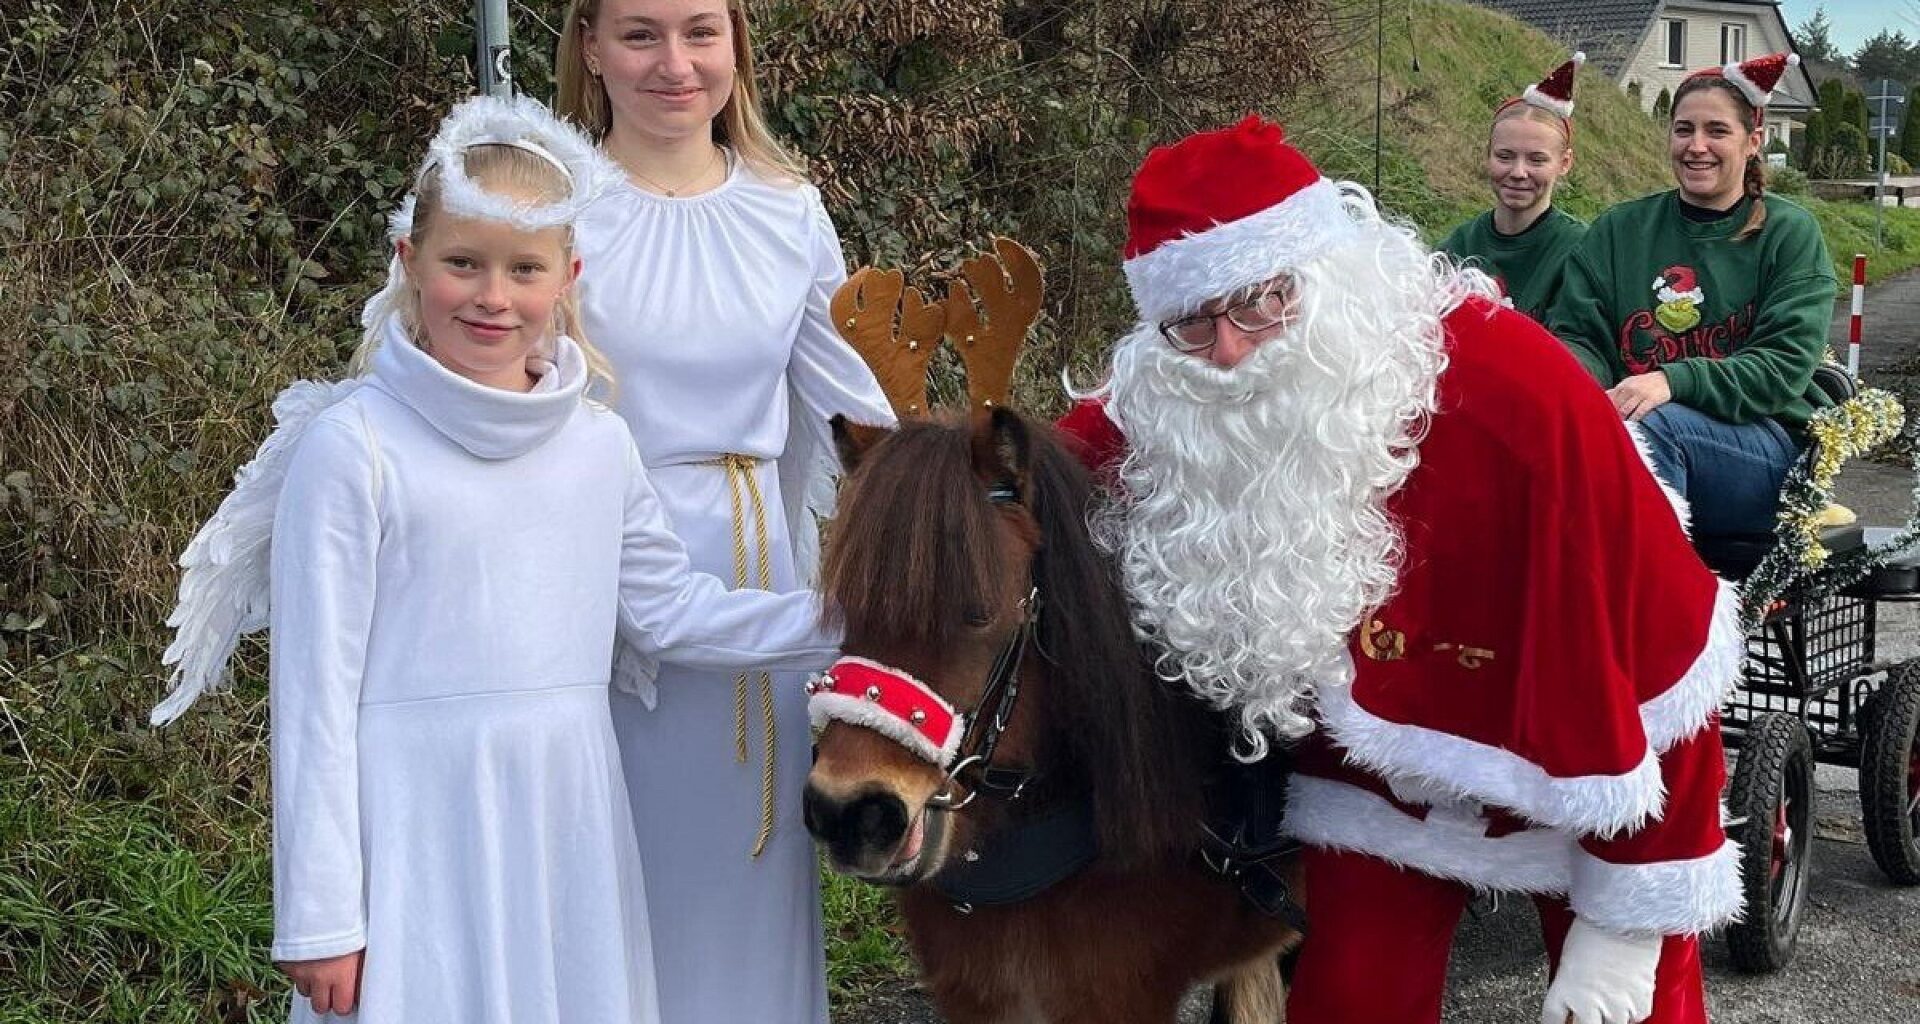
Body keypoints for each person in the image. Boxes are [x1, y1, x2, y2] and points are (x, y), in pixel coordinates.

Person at [151, 95, 842, 1023]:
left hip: (570, 826)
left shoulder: (597, 446)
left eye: (525, 269)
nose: (492, 296)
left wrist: (848, 621)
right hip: (415, 836)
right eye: (463, 264)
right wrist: (320, 918)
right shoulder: (353, 448)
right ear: (410, 262)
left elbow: (672, 610)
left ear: (569, 277)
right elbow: (314, 700)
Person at [1058, 116, 1743, 1024]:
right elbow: (1029, 475)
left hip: (1578, 762)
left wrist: (1629, 918)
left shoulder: (1519, 397)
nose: (1228, 351)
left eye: (1261, 301)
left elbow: (1670, 663)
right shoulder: (1183, 393)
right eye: (1190, 321)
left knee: (1635, 1010)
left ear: (1327, 273)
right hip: (1372, 772)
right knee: (1350, 1001)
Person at [553, 1, 895, 1020]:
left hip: (755, 582)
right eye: (640, 34)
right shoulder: (553, 203)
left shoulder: (788, 210)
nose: (675, 64)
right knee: (606, 880)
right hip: (594, 577)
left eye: (700, 31)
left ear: (737, 43)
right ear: (590, 46)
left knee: (740, 882)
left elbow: (855, 414)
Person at [1547, 51, 1834, 537]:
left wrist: (1671, 381)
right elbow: (1581, 337)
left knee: (1655, 430)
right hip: (1629, 428)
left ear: (1753, 143)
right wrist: (1563, 383)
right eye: (1684, 130)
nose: (1696, 146)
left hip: (1764, 449)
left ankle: (1659, 606)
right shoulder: (1620, 230)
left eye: (1717, 131)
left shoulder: (1789, 234)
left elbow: (1782, 368)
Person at [1436, 54, 1586, 321]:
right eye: (1505, 156)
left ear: (1564, 163)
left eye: (1537, 159)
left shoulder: (1579, 250)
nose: (1518, 173)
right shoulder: (1457, 246)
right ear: (1488, 155)